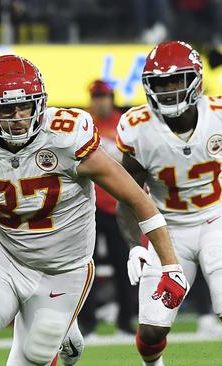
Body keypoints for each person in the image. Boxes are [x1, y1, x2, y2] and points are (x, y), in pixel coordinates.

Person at [0, 54, 187, 366]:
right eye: (6, 109)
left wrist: (170, 265)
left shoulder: (66, 137)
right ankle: (59, 330)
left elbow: (138, 199)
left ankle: (64, 331)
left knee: (33, 356)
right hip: (7, 259)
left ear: (39, 101)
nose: (17, 117)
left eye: (24, 105)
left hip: (64, 270)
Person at [114, 41, 222, 366]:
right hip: (167, 232)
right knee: (151, 332)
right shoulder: (139, 129)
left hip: (213, 222)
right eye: (160, 83)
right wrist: (135, 244)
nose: (167, 90)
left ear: (195, 80)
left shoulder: (221, 116)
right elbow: (128, 194)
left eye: (175, 80)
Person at [77, 79, 136, 335]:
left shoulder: (123, 124)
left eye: (104, 96)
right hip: (88, 206)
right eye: (96, 96)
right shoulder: (83, 124)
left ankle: (126, 319)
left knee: (125, 262)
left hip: (116, 205)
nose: (100, 100)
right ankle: (86, 321)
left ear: (111, 98)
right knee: (82, 263)